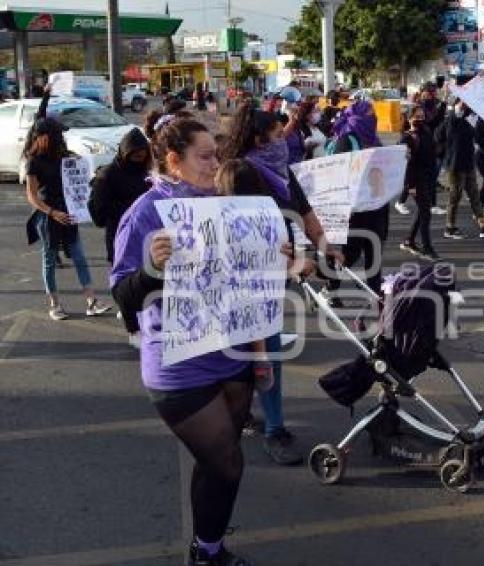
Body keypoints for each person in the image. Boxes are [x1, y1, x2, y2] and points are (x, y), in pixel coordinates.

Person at [111, 115, 313, 565]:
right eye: (204, 156)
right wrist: (150, 270)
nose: (214, 163)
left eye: (216, 154)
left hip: (232, 353)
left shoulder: (225, 203)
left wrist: (281, 258)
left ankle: (207, 545)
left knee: (218, 461)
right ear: (174, 160)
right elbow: (123, 297)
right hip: (179, 363)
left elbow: (254, 274)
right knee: (226, 462)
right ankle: (206, 553)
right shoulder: (146, 212)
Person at [219, 102, 341, 465]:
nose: (283, 139)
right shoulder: (239, 173)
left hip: (274, 275)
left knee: (268, 351)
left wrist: (326, 247)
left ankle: (273, 426)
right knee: (244, 352)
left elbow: (306, 215)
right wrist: (288, 259)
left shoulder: (280, 171)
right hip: (241, 276)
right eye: (276, 133)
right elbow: (234, 230)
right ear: (258, 138)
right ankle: (242, 416)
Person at [24, 114, 112, 321]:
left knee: (79, 256)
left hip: (68, 211)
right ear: (43, 137)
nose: (60, 139)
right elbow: (31, 195)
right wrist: (51, 213)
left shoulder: (65, 156)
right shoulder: (33, 162)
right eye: (56, 135)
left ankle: (91, 301)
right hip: (48, 215)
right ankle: (54, 304)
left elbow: (79, 180)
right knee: (49, 259)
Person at [325, 100, 390, 297]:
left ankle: (375, 290)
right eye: (369, 114)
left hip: (377, 203)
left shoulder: (373, 139)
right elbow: (337, 172)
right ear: (358, 117)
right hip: (356, 207)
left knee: (375, 249)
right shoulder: (347, 140)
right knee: (350, 254)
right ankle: (330, 288)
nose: (373, 118)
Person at [88, 128, 152, 264]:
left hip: (145, 235)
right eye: (135, 157)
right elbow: (101, 211)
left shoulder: (146, 172)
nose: (139, 161)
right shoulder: (108, 175)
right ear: (126, 154)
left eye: (142, 157)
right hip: (119, 234)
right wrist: (133, 208)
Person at [442, 100, 484, 240]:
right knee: (455, 196)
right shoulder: (452, 118)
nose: (468, 105)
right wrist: (459, 107)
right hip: (456, 165)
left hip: (469, 162)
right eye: (464, 103)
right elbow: (451, 127)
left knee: (474, 195)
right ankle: (449, 227)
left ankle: (483, 225)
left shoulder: (470, 117)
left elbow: (475, 133)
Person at [398, 105, 440, 261]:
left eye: (423, 116)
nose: (421, 119)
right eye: (417, 117)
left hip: (428, 177)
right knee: (426, 213)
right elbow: (405, 166)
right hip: (416, 180)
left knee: (423, 210)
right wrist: (410, 186)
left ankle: (409, 240)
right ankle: (427, 248)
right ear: (409, 119)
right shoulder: (406, 138)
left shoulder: (427, 131)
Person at [420, 82, 448, 215]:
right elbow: (433, 122)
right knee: (428, 177)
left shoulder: (433, 104)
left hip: (436, 145)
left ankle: (430, 204)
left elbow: (439, 120)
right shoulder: (421, 106)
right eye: (430, 92)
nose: (433, 94)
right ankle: (431, 205)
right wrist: (443, 103)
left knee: (431, 177)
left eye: (434, 92)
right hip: (426, 146)